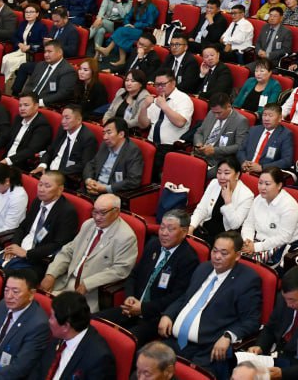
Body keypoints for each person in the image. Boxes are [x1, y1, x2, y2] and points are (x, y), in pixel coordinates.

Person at [159, 231, 262, 376]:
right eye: (215, 251)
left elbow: (251, 320)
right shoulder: (204, 268)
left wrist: (228, 336)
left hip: (206, 348)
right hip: (174, 340)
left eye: (224, 253)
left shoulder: (247, 280)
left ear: (237, 255)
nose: (217, 256)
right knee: (147, 362)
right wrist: (168, 314)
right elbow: (186, 298)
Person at [96, 208, 201, 346]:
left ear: (184, 231)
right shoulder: (153, 244)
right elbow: (134, 274)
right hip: (131, 307)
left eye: (170, 229)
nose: (164, 233)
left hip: (155, 316)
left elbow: (177, 297)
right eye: (162, 227)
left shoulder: (188, 259)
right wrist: (129, 297)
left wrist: (143, 308)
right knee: (94, 322)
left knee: (123, 342)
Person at [40, 193, 138, 311]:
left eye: (103, 213)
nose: (97, 217)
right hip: (65, 281)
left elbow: (120, 270)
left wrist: (88, 284)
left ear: (116, 212)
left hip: (90, 292)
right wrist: (51, 274)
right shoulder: (89, 224)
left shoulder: (126, 237)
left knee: (58, 313)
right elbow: (69, 251)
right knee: (38, 304)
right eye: (95, 212)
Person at [239, 166, 298, 263]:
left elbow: (283, 238)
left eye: (267, 184)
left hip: (280, 247)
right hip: (256, 242)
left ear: (279, 185)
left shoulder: (290, 206)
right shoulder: (259, 199)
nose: (262, 187)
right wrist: (247, 241)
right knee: (229, 253)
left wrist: (256, 247)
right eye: (260, 183)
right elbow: (249, 224)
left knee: (245, 263)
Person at [190, 158, 255, 247]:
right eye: (219, 172)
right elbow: (202, 209)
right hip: (204, 230)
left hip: (224, 239)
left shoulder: (247, 195)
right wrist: (192, 226)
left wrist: (228, 202)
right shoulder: (214, 183)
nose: (221, 177)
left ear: (237, 175)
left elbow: (234, 225)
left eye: (226, 173)